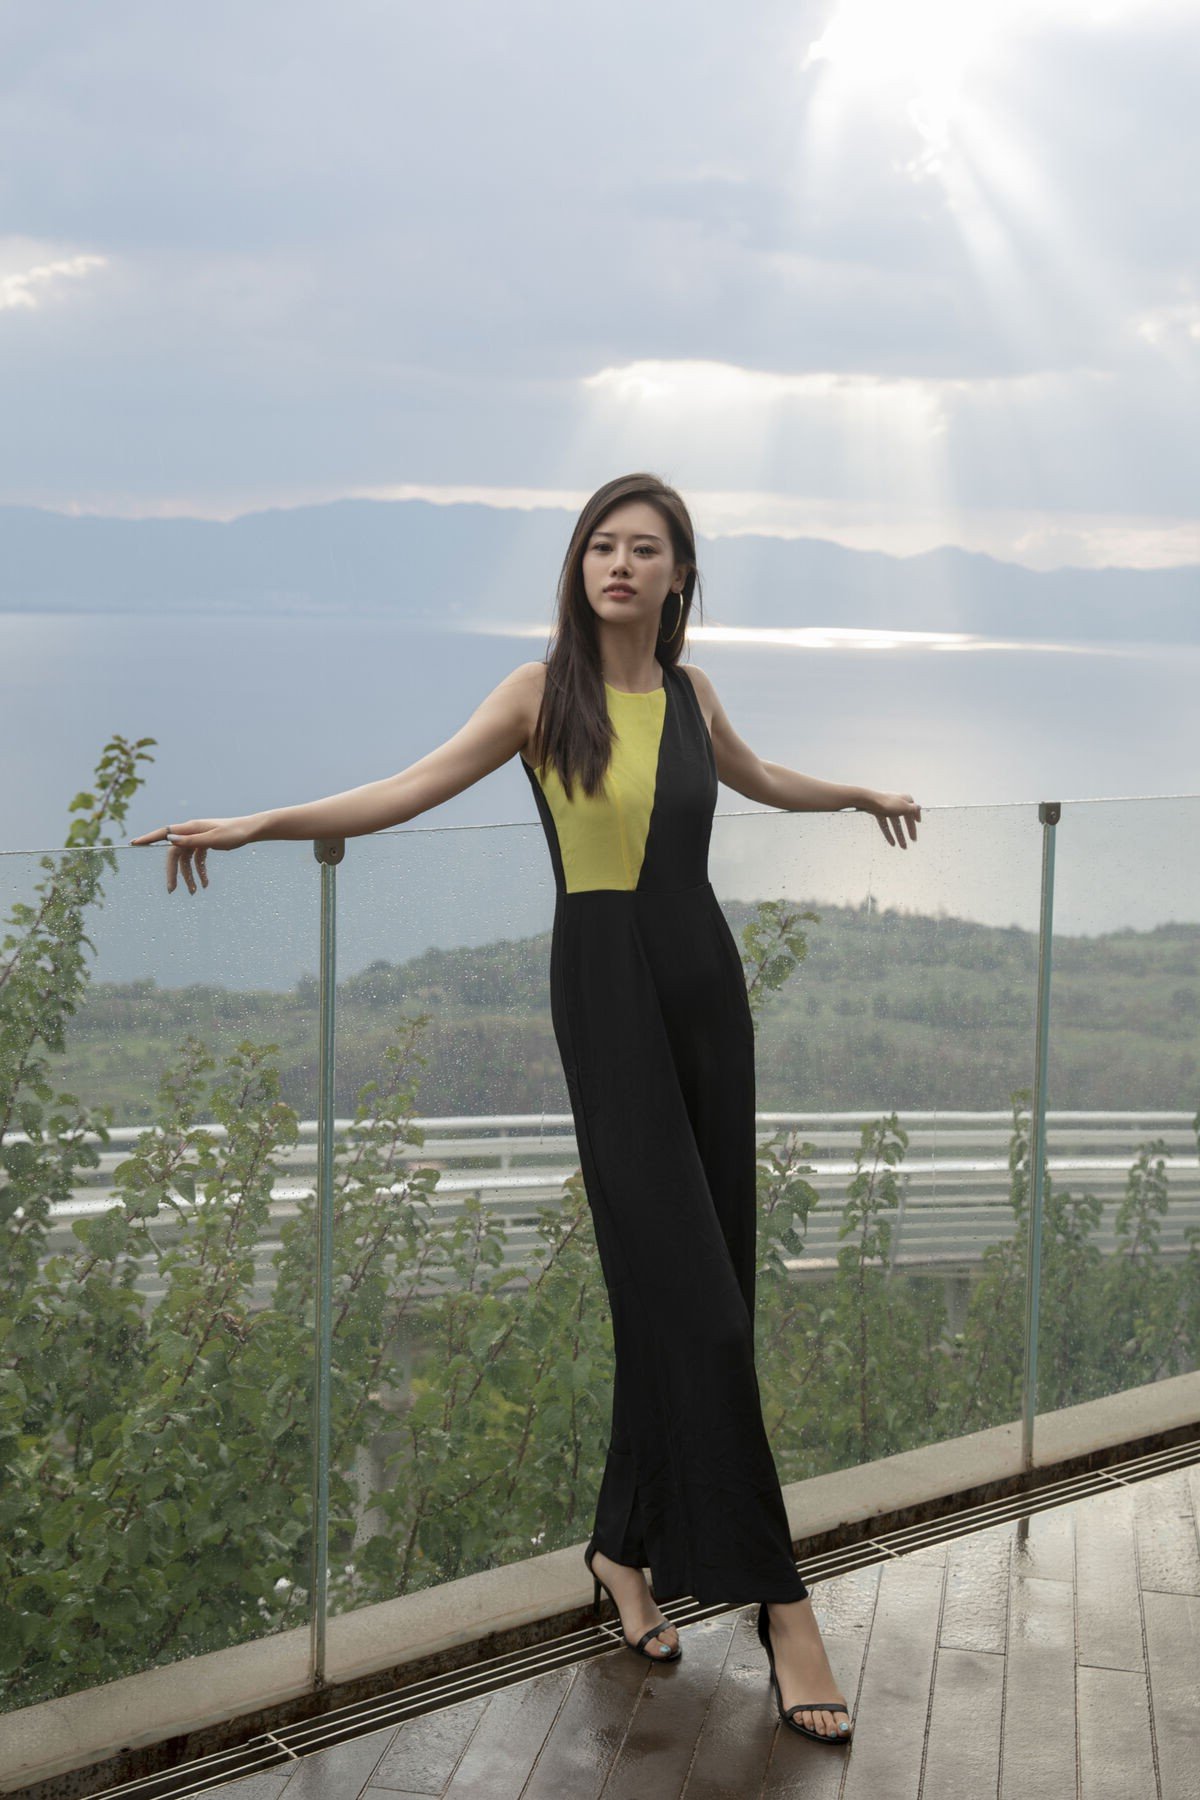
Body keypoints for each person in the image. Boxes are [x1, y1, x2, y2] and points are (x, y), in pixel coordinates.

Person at [133, 471, 921, 1747]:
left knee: (695, 1289)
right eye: (602, 544)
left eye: (645, 548)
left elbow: (761, 777)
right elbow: (406, 789)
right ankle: (785, 1607)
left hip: (706, 996)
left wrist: (858, 794)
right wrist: (260, 822)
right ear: (579, 564)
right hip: (607, 999)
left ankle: (620, 1550)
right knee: (705, 1314)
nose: (620, 564)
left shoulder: (692, 695)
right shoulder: (537, 695)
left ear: (678, 576)